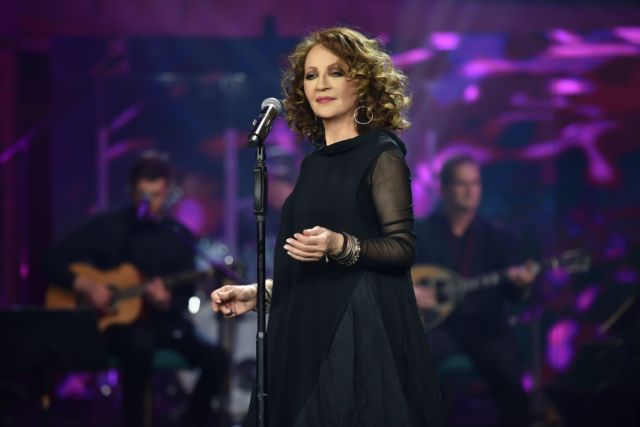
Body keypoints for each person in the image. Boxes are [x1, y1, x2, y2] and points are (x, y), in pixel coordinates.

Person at [211, 27, 443, 427]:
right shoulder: (312, 164)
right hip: (301, 331)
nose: (320, 84)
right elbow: (309, 268)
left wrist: (340, 244)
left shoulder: (382, 155)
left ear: (362, 82)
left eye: (336, 72)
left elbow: (402, 248)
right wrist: (261, 293)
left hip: (352, 334)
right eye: (311, 74)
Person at [43, 151, 230, 427]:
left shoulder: (179, 236)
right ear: (131, 190)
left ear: (168, 191)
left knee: (217, 358)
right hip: (114, 327)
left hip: (164, 326)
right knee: (139, 344)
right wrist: (87, 286)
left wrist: (165, 302)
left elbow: (183, 299)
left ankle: (192, 420)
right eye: (141, 195)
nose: (148, 203)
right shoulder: (108, 227)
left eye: (155, 195)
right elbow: (50, 259)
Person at [413, 155, 536, 427]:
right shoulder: (420, 232)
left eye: (475, 183)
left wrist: (522, 285)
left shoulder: (497, 236)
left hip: (485, 328)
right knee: (412, 370)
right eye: (462, 184)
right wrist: (407, 293)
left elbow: (512, 296)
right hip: (438, 328)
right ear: (444, 188)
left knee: (512, 383)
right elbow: (395, 275)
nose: (470, 190)